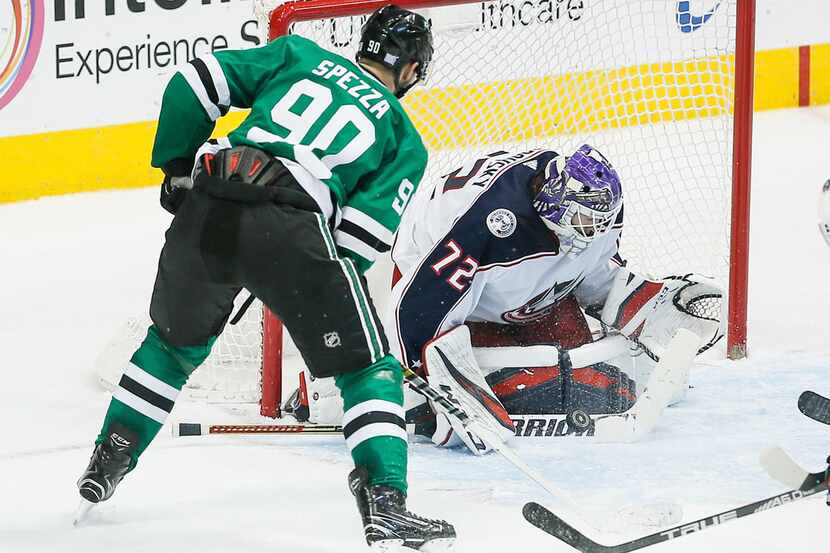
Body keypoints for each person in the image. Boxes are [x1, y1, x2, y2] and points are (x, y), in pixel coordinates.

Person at [76, 5, 456, 549]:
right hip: (291, 223)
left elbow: (192, 82)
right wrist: (295, 280)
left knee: (170, 348)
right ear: (414, 70)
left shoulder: (299, 54)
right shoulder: (404, 140)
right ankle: (387, 504)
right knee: (368, 369)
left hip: (209, 202)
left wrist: (178, 171)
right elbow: (358, 243)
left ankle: (109, 457)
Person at [382, 145, 723, 453]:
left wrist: (641, 303)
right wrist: (425, 385)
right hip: (437, 292)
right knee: (522, 388)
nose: (592, 231)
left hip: (521, 299)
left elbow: (591, 268)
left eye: (597, 222)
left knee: (583, 379)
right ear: (552, 201)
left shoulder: (595, 211)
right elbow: (416, 307)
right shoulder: (487, 224)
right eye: (583, 221)